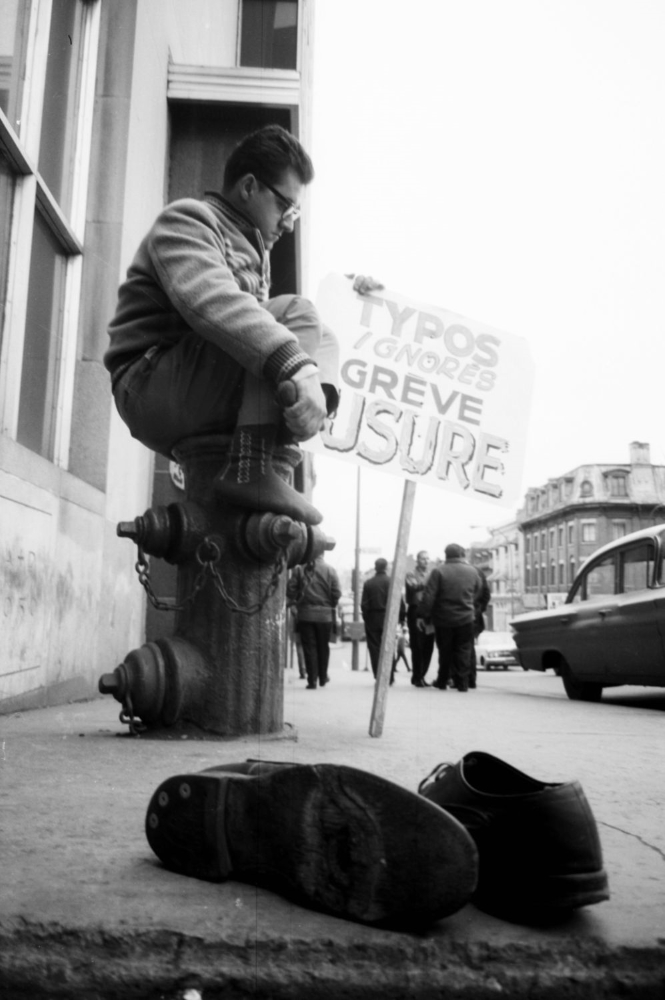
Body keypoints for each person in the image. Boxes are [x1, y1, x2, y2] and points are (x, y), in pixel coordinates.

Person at [104, 123, 380, 526]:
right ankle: (249, 468)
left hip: (185, 384)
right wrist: (297, 367)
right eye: (286, 205)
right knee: (297, 315)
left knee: (320, 331)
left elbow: (263, 325)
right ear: (249, 187)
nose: (289, 222)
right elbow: (212, 302)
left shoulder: (250, 247)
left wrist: (316, 388)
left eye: (295, 212)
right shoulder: (188, 220)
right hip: (147, 382)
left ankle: (287, 434)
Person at [418, 544, 483, 692]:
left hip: (443, 619)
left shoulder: (438, 571)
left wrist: (422, 615)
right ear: (461, 555)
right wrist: (467, 602)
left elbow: (429, 596)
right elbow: (478, 590)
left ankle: (442, 680)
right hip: (466, 618)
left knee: (445, 650)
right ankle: (463, 682)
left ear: (446, 555)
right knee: (464, 650)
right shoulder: (472, 571)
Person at [286, 554, 341, 688]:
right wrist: (330, 605)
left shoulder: (299, 569)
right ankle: (322, 677)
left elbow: (290, 590)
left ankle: (312, 681)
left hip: (305, 615)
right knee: (323, 647)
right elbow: (337, 592)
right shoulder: (330, 570)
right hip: (325, 615)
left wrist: (295, 603)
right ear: (322, 554)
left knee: (309, 648)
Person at [404, 549, 435, 687]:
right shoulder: (411, 574)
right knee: (417, 645)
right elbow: (414, 587)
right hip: (415, 611)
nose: (426, 561)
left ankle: (422, 675)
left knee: (429, 645)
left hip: (428, 611)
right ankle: (416, 676)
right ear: (417, 560)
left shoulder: (430, 574)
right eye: (423, 559)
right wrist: (430, 581)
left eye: (428, 559)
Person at [469, 568, 491, 689]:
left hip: (456, 615)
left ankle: (456, 677)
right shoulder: (478, 572)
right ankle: (471, 679)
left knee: (455, 648)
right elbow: (487, 594)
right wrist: (479, 610)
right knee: (469, 647)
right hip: (474, 616)